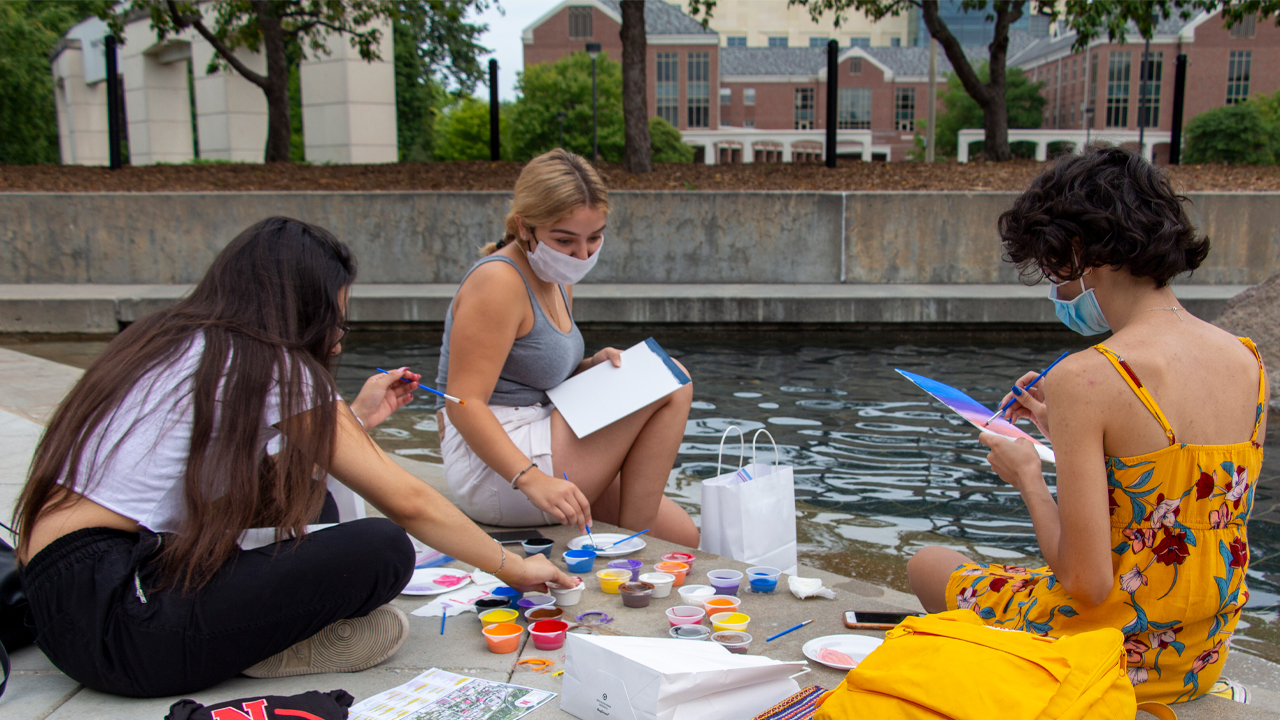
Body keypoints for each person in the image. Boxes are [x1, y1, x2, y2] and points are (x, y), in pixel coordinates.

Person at [13, 217, 574, 699]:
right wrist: (513, 567)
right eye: (337, 321)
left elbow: (259, 480)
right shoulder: (271, 362)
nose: (336, 340)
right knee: (379, 548)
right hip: (122, 624)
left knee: (317, 497)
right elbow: (406, 499)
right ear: (302, 310)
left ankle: (243, 635)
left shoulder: (174, 339)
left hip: (65, 599)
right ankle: (258, 649)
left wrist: (352, 418)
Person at [905, 147, 1261, 704]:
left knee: (929, 565)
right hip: (1199, 658)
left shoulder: (1088, 375)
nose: (1054, 286)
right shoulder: (1247, 359)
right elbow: (1193, 511)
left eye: (1050, 266)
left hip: (1107, 660)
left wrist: (1026, 474)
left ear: (1078, 251)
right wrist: (1060, 431)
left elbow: (1086, 583)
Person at [436, 149, 699, 547]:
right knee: (671, 380)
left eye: (595, 237)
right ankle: (631, 552)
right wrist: (531, 478)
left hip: (542, 428)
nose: (582, 254)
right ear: (525, 227)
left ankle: (631, 542)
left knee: (684, 536)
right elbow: (462, 401)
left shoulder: (557, 273)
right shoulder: (499, 282)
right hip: (496, 466)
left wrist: (588, 364)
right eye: (565, 239)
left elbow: (534, 370)